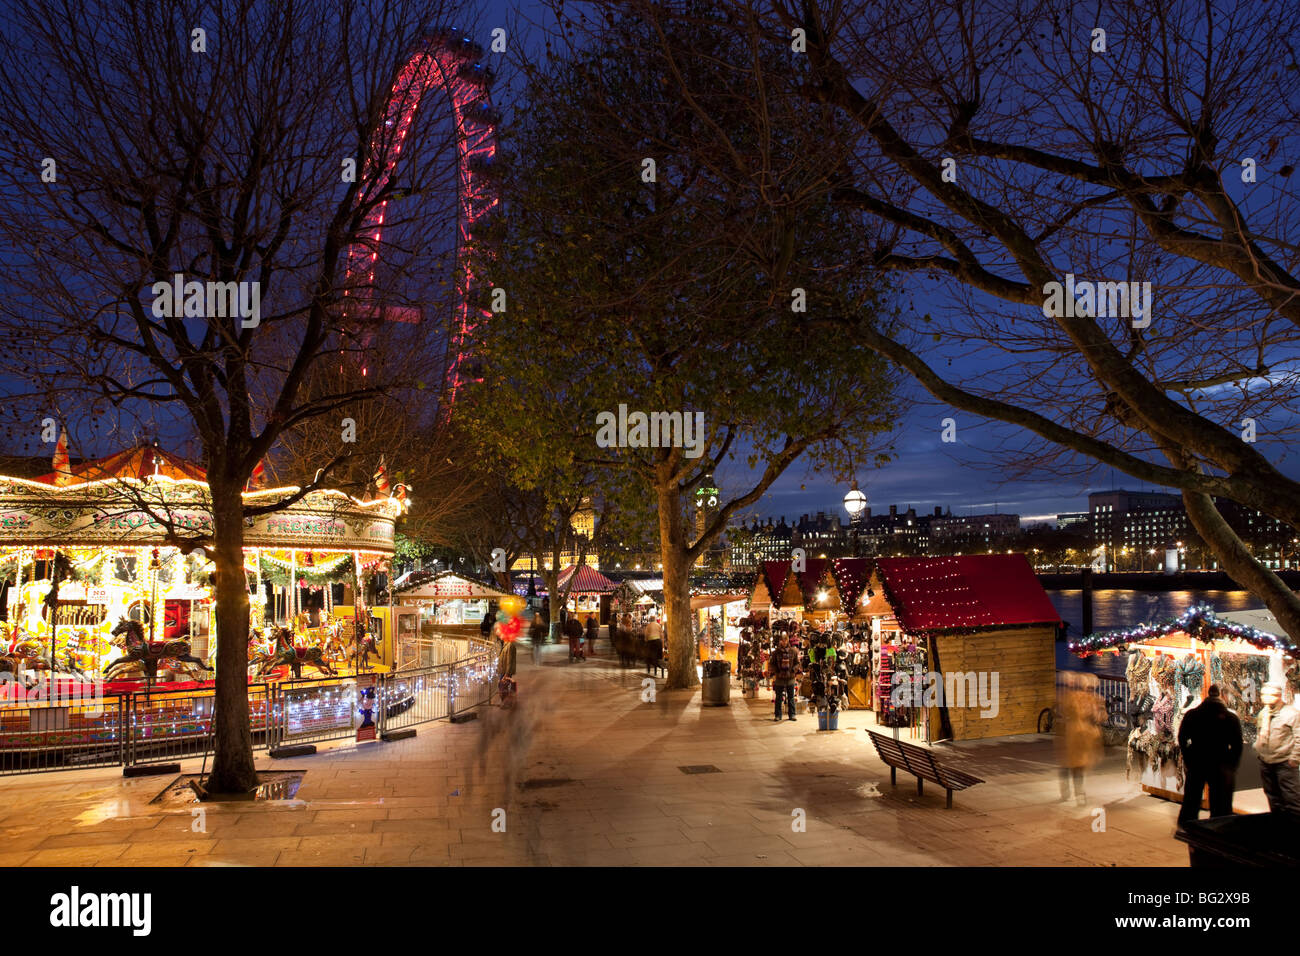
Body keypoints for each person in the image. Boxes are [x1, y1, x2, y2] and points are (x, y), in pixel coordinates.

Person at [1176, 684, 1243, 824]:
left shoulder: (1193, 714)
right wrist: (1231, 765)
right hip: (1221, 762)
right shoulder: (1230, 718)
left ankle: (1188, 827)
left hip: (1197, 761)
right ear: (1221, 696)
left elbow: (1182, 738)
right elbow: (1237, 745)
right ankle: (1218, 828)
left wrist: (1188, 758)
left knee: (1192, 800)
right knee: (1220, 803)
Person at [1056, 672, 1105, 805]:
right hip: (1081, 736)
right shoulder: (1088, 698)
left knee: (1072, 766)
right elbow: (1098, 717)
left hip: (1075, 735)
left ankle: (1071, 793)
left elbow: (1063, 711)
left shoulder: (1071, 697)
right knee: (1077, 767)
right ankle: (1078, 794)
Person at [1255, 682, 1300, 816]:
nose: (1265, 698)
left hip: (1284, 763)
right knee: (1273, 799)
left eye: (1270, 695)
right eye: (1263, 694)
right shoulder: (1264, 713)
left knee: (1292, 800)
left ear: (1278, 695)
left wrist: (1294, 758)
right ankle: (1279, 829)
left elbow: (1299, 737)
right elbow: (1260, 732)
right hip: (1266, 762)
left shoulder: (1291, 714)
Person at [767, 631, 802, 722]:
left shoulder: (793, 651)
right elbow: (772, 664)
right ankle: (778, 715)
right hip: (779, 678)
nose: (784, 642)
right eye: (782, 640)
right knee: (778, 697)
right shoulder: (776, 653)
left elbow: (797, 663)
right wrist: (776, 672)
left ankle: (792, 714)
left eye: (785, 640)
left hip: (790, 677)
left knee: (791, 697)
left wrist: (793, 671)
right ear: (780, 641)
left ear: (788, 640)